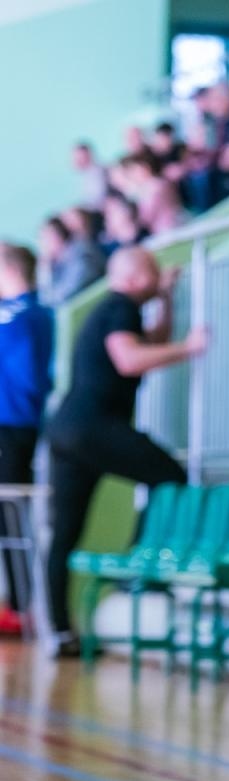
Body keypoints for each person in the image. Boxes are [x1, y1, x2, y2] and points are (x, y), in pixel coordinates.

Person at [45, 248, 208, 658]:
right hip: (92, 426)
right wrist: (190, 349)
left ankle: (61, 632)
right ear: (135, 278)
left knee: (65, 533)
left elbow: (152, 341)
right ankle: (138, 569)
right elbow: (130, 358)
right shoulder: (120, 306)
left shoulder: (114, 310)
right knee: (170, 475)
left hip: (66, 430)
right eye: (152, 273)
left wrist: (166, 299)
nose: (157, 279)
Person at [0, 244, 54, 636]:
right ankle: (17, 603)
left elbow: (32, 380)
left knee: (12, 515)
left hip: (12, 427)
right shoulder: (24, 315)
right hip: (15, 425)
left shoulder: (24, 316)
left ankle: (22, 605)